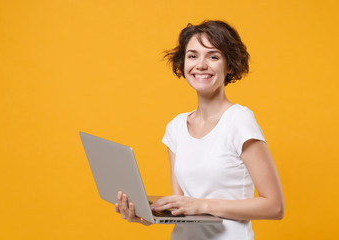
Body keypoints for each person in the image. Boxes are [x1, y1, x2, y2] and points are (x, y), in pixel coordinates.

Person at [115, 20, 284, 239]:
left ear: (229, 65)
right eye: (193, 56)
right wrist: (146, 215)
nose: (201, 65)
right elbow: (182, 206)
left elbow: (274, 206)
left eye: (213, 56)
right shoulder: (176, 127)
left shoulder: (239, 121)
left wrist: (201, 204)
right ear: (183, 63)